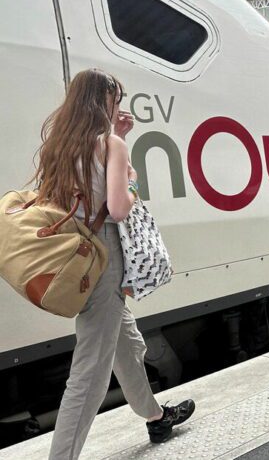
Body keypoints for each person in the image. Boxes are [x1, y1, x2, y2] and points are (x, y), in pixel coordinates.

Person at [30, 69, 194, 460]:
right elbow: (119, 208)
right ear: (104, 101)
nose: (118, 107)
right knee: (89, 374)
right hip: (105, 254)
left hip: (76, 250)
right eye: (116, 99)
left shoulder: (58, 145)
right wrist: (132, 177)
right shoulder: (110, 146)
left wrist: (120, 141)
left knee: (126, 344)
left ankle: (156, 417)